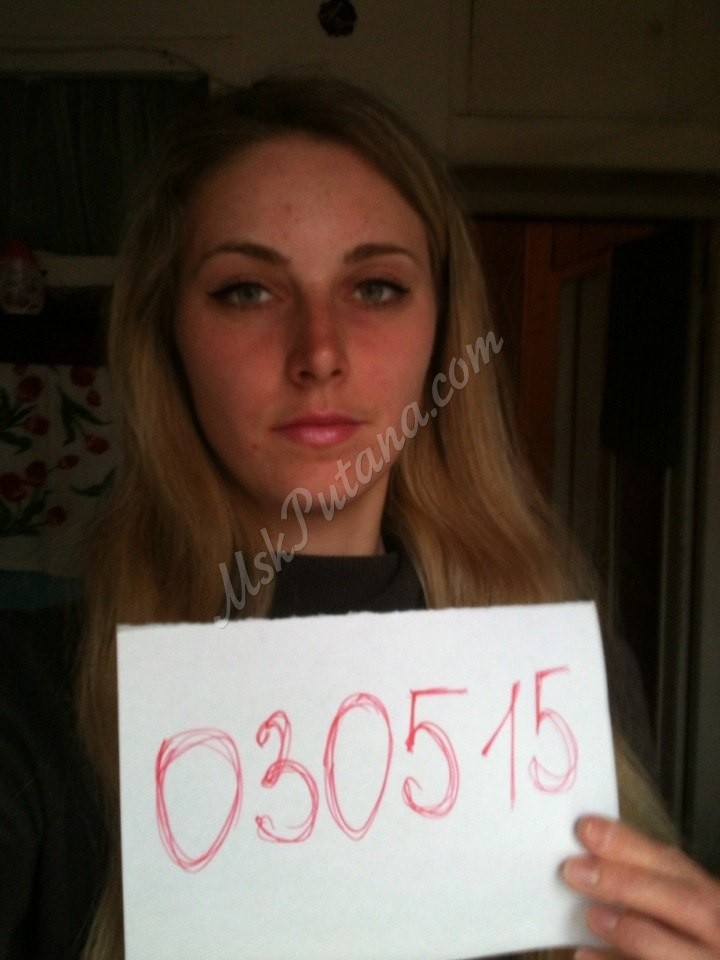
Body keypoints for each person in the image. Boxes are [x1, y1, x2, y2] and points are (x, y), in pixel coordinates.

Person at [1, 74, 719, 960]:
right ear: (165, 333)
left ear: (443, 330)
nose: (320, 353)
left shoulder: (571, 682)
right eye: (246, 290)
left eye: (375, 287)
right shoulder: (37, 698)